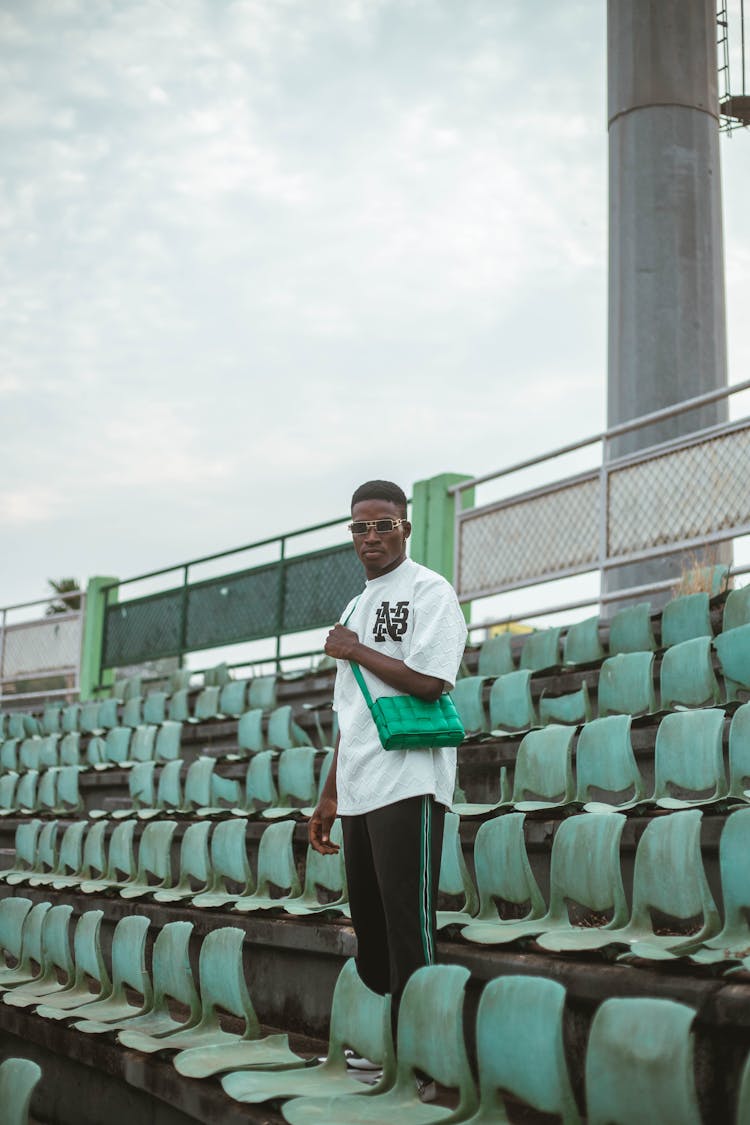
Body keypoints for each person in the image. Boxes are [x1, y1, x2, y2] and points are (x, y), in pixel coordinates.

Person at [308, 479, 468, 1020]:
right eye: (360, 527)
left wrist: (355, 648)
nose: (370, 536)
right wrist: (330, 795)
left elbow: (430, 682)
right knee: (370, 929)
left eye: (383, 525)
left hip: (408, 778)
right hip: (358, 785)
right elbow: (348, 712)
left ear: (406, 527)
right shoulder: (356, 605)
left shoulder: (430, 590)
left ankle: (426, 1058)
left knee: (408, 923)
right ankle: (388, 1043)